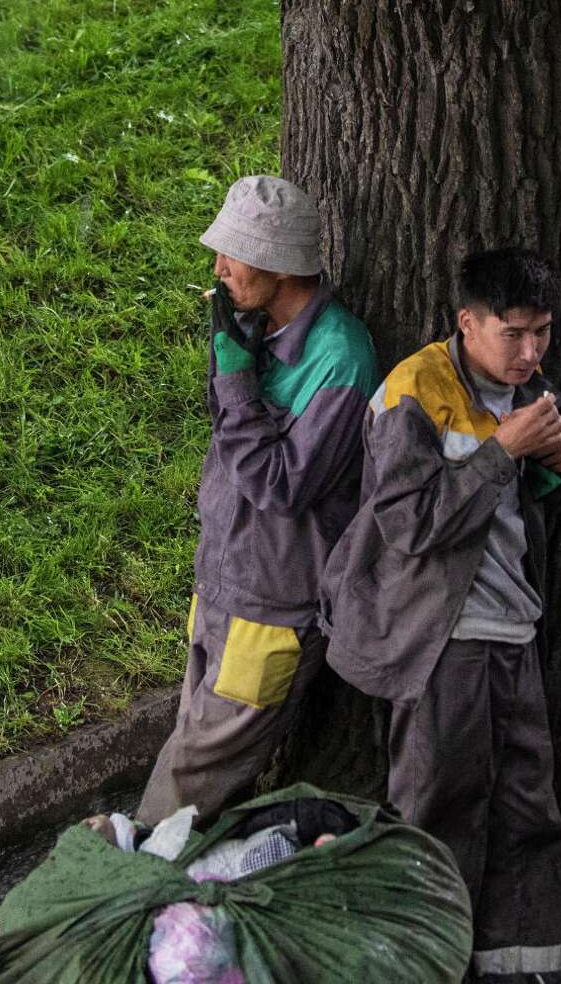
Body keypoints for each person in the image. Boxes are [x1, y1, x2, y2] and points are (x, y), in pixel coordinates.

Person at [321, 248, 561, 984]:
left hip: (514, 632)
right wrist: (504, 452)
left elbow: (522, 512)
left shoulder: (530, 390)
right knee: (438, 813)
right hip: (440, 644)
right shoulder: (411, 394)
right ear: (466, 324)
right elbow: (412, 526)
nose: (531, 351)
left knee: (529, 813)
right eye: (513, 333)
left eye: (542, 332)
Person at [136, 175, 381, 826]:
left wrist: (237, 376)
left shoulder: (340, 360)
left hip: (268, 612)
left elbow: (282, 486)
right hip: (219, 586)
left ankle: (117, 894)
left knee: (183, 783)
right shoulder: (252, 324)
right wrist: (230, 363)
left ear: (277, 262)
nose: (218, 268)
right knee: (198, 766)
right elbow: (228, 436)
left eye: (232, 253)